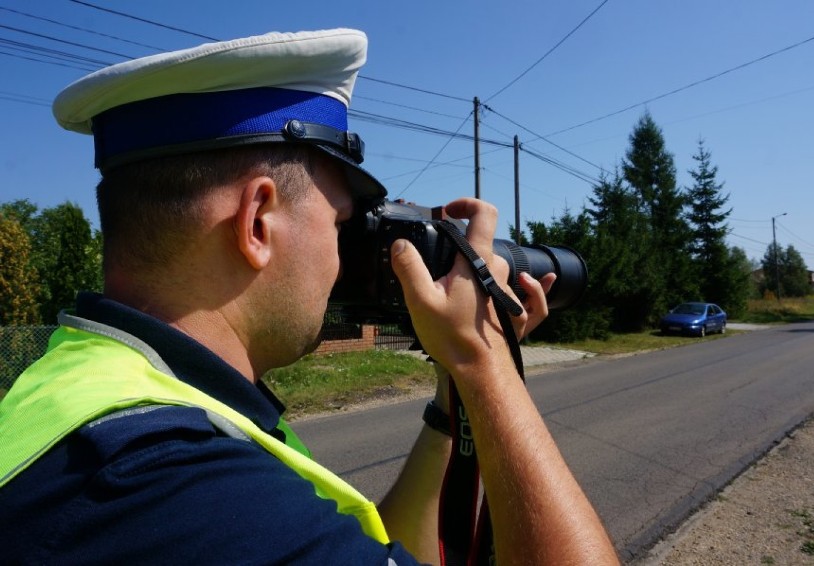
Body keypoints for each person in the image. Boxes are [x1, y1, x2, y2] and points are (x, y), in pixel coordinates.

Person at [0, 29, 618, 565]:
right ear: (258, 222)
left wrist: (450, 399)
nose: (340, 257)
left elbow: (383, 551)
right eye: (337, 222)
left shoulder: (94, 398)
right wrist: (486, 364)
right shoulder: (175, 483)